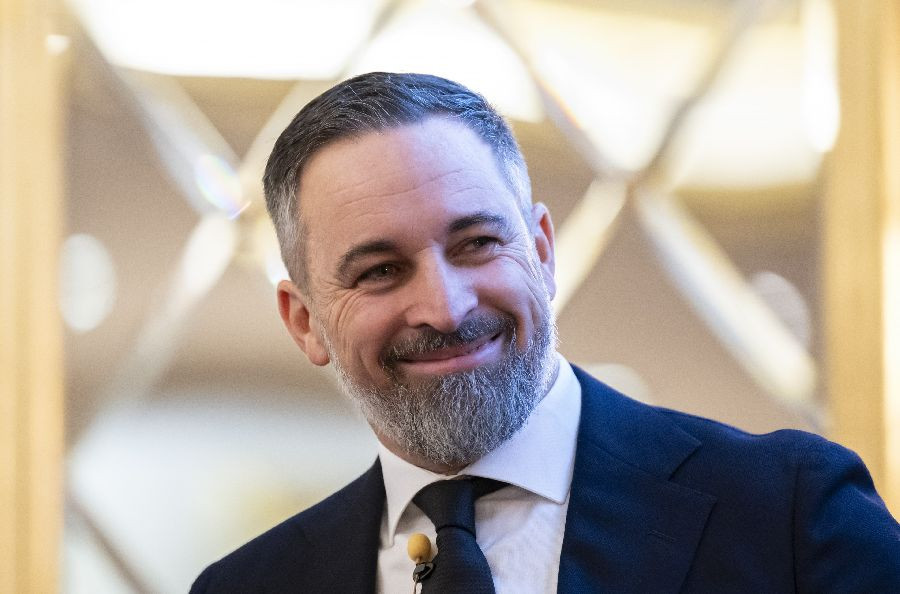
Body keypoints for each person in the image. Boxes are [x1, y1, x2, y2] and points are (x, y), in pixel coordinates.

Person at [190, 72, 899, 593]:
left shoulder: (788, 515)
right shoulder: (249, 586)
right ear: (305, 322)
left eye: (476, 244)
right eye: (380, 271)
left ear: (542, 252)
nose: (445, 308)